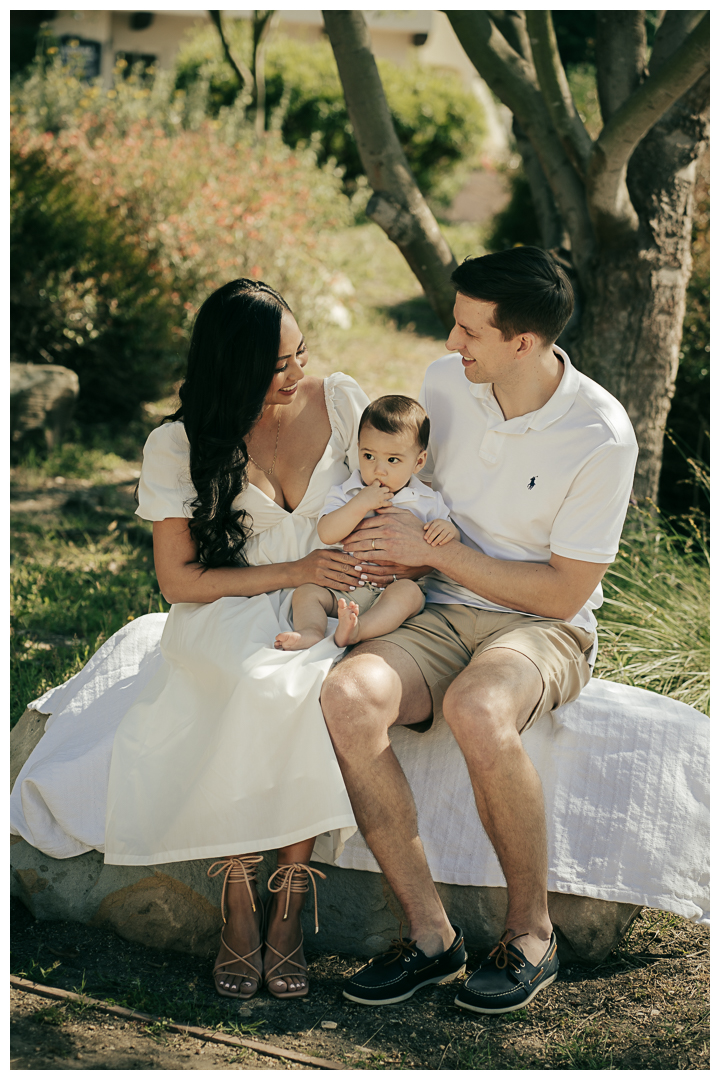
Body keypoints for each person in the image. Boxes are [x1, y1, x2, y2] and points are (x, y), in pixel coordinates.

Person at [320, 247, 638, 1014]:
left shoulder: (601, 435)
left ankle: (532, 936)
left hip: (539, 627)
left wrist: (447, 557)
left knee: (477, 706)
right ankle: (431, 939)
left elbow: (565, 593)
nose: (450, 344)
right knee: (349, 696)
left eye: (469, 331)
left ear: (522, 342)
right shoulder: (444, 385)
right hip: (433, 607)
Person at [98, 278, 387, 1003]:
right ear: (233, 367)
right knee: (255, 679)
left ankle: (287, 904)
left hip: (331, 596)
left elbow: (401, 489)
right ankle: (237, 895)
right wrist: (291, 568)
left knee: (308, 679)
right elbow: (179, 582)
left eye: (300, 355)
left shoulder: (343, 402)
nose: (296, 375)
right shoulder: (178, 442)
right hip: (230, 599)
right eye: (277, 365)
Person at [274, 395, 459, 652]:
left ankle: (359, 629)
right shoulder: (347, 492)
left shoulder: (427, 500)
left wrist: (447, 530)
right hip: (345, 585)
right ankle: (310, 632)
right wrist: (360, 503)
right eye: (369, 455)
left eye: (392, 460)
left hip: (393, 587)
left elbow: (451, 543)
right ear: (358, 448)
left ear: (418, 462)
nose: (378, 470)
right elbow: (327, 533)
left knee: (410, 595)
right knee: (305, 593)